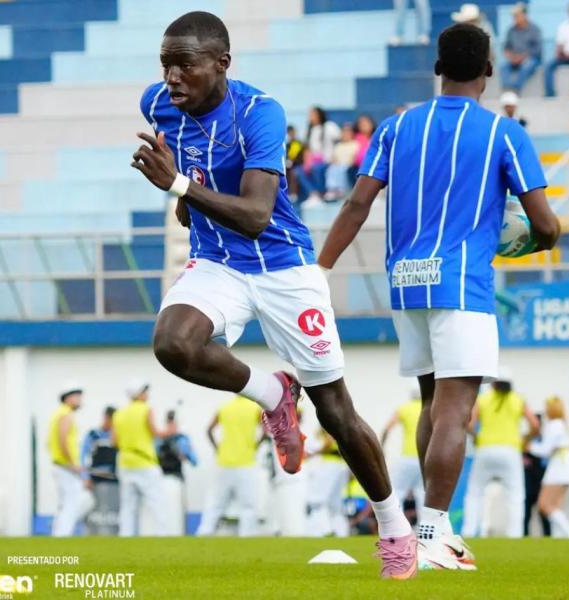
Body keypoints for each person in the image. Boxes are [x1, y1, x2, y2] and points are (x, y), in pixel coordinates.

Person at [131, 11, 416, 578]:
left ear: (222, 64)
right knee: (172, 343)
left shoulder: (260, 113)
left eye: (185, 65)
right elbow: (189, 164)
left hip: (283, 267)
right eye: (165, 64)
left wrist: (179, 187)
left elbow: (258, 215)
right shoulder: (157, 103)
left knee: (336, 412)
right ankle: (272, 393)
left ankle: (395, 530)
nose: (172, 77)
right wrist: (187, 195)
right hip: (218, 263)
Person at [317, 22, 559, 570]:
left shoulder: (396, 127)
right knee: (455, 411)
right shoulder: (504, 133)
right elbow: (544, 225)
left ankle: (431, 530)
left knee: (431, 403)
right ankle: (431, 534)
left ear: (437, 68)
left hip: (406, 283)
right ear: (489, 70)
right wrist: (535, 239)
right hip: (462, 285)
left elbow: (356, 204)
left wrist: (321, 268)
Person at [463, 371, 540, 539]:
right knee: (516, 495)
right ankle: (515, 534)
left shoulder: (483, 399)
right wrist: (525, 439)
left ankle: (469, 531)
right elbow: (535, 424)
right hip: (510, 450)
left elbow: (469, 424)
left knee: (475, 492)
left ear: (493, 383)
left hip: (485, 449)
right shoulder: (518, 399)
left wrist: (476, 438)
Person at [199, 395, 262, 536]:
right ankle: (247, 535)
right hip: (246, 462)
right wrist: (256, 446)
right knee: (248, 505)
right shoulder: (254, 408)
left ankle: (204, 533)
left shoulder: (224, 407)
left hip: (224, 462)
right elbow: (266, 430)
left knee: (215, 502)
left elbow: (209, 429)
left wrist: (217, 448)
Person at [112, 380, 168, 536]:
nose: (147, 394)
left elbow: (114, 441)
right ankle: (162, 535)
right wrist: (170, 430)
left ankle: (125, 536)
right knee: (157, 502)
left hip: (125, 463)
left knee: (128, 505)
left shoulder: (118, 413)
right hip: (145, 462)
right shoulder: (146, 409)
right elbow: (156, 432)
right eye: (144, 391)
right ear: (138, 394)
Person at [527, 396, 569, 538]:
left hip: (561, 467)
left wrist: (528, 446)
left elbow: (544, 450)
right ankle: (558, 536)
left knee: (544, 504)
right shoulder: (561, 424)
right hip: (562, 465)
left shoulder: (554, 425)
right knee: (555, 505)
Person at [48, 385, 88, 537]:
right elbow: (63, 440)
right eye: (77, 396)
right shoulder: (65, 414)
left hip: (61, 465)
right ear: (68, 397)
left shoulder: (59, 413)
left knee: (65, 503)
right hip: (66, 466)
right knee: (72, 503)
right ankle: (62, 535)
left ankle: (58, 534)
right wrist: (73, 463)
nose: (80, 399)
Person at [381, 390, 425, 517]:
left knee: (397, 492)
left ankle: (396, 524)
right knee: (422, 495)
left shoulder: (405, 408)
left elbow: (387, 429)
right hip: (424, 460)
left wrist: (382, 448)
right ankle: (423, 526)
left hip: (408, 458)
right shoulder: (428, 409)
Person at [157, 410, 198, 535]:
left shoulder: (182, 439)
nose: (171, 426)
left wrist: (185, 453)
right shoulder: (159, 439)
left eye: (173, 423)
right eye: (169, 423)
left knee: (177, 511)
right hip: (160, 480)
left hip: (177, 479)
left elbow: (194, 461)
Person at [80, 406, 119, 535]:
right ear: (106, 418)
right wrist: (85, 477)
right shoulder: (93, 435)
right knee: (96, 513)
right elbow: (83, 456)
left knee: (113, 513)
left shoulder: (117, 436)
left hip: (115, 481)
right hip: (96, 481)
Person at [306, 430, 350, 537]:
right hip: (341, 465)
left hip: (330, 464)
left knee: (317, 500)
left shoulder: (329, 424)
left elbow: (329, 441)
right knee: (335, 503)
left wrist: (314, 453)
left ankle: (323, 530)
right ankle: (341, 532)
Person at [297, 106, 341, 206]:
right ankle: (314, 194)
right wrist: (307, 162)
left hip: (328, 160)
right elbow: (306, 148)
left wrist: (335, 157)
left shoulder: (329, 126)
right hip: (313, 160)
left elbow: (339, 141)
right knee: (299, 171)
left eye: (313, 114)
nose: (311, 117)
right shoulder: (308, 130)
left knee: (317, 169)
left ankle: (321, 193)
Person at [500, 3, 542, 93]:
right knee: (503, 66)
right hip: (514, 59)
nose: (515, 18)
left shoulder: (534, 29)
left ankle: (515, 90)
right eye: (514, 16)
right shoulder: (511, 30)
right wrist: (511, 57)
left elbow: (537, 49)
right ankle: (507, 90)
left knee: (526, 66)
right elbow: (506, 47)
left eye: (517, 15)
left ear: (524, 15)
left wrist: (522, 57)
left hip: (530, 59)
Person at [324, 123, 359, 201]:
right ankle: (332, 190)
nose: (346, 134)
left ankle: (341, 189)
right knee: (331, 169)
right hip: (338, 165)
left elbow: (355, 157)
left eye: (348, 131)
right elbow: (334, 158)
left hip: (349, 165)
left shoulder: (355, 144)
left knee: (342, 170)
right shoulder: (338, 145)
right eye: (344, 131)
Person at [285, 125, 305, 203]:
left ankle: (293, 193)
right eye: (289, 133)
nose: (291, 134)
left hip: (299, 165)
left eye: (292, 132)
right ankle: (286, 193)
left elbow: (297, 156)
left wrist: (291, 162)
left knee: (294, 172)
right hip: (289, 166)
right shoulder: (287, 144)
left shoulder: (298, 143)